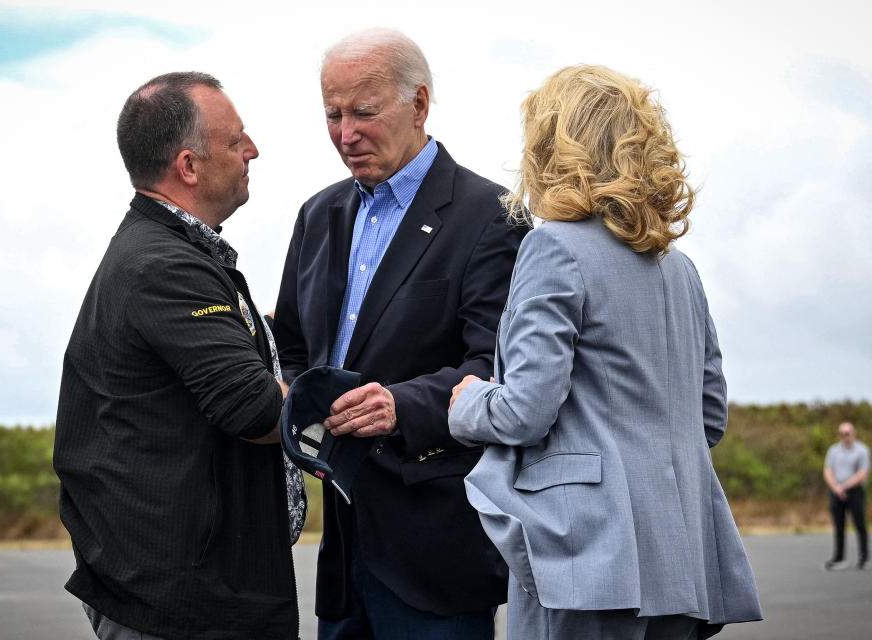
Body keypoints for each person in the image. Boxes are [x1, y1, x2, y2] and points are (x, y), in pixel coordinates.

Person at [448, 65, 762, 639]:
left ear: (551, 145)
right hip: (684, 556)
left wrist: (467, 402)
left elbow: (523, 411)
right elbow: (709, 416)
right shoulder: (681, 269)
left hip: (585, 555)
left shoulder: (554, 247)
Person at [273, 28, 523, 640]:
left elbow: (498, 363)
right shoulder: (317, 214)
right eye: (332, 114)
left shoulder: (492, 215)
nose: (345, 133)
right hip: (342, 547)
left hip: (438, 551)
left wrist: (400, 405)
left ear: (419, 104)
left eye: (363, 111)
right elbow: (297, 348)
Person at [53, 72, 299, 639]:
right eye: (237, 141)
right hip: (182, 605)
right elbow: (258, 411)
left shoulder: (166, 250)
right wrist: (347, 400)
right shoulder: (167, 267)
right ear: (188, 167)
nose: (252, 151)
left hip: (165, 589)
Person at [823, 421, 869, 570]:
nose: (845, 437)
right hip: (836, 491)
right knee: (839, 525)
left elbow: (862, 473)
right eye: (842, 434)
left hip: (855, 491)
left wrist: (844, 486)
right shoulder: (833, 451)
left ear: (853, 433)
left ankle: (864, 557)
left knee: (860, 524)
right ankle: (839, 558)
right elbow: (827, 471)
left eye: (847, 434)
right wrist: (836, 487)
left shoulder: (861, 450)